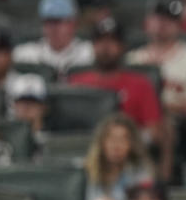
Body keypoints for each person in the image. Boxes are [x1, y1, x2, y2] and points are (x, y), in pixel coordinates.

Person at [126, 0, 186, 148]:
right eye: (158, 18)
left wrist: (178, 107)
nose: (162, 23)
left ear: (180, 25)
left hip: (179, 125)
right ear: (147, 22)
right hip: (135, 124)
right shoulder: (132, 60)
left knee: (165, 123)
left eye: (169, 19)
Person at [68, 17, 164, 147]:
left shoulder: (141, 84)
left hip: (130, 154)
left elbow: (154, 132)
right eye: (100, 41)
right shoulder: (76, 83)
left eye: (112, 41)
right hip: (84, 151)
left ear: (122, 47)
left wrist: (123, 142)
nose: (106, 47)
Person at [12, 0, 94, 76]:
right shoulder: (25, 54)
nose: (54, 28)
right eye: (49, 21)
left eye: (59, 21)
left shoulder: (90, 52)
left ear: (73, 24)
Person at [84, 114, 153, 200]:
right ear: (101, 143)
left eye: (123, 140)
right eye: (111, 138)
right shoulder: (86, 173)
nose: (116, 146)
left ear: (132, 145)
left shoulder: (141, 173)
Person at [7, 73, 49, 150]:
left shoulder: (52, 140)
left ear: (43, 107)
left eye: (32, 101)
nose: (26, 107)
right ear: (13, 106)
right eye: (22, 101)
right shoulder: (5, 141)